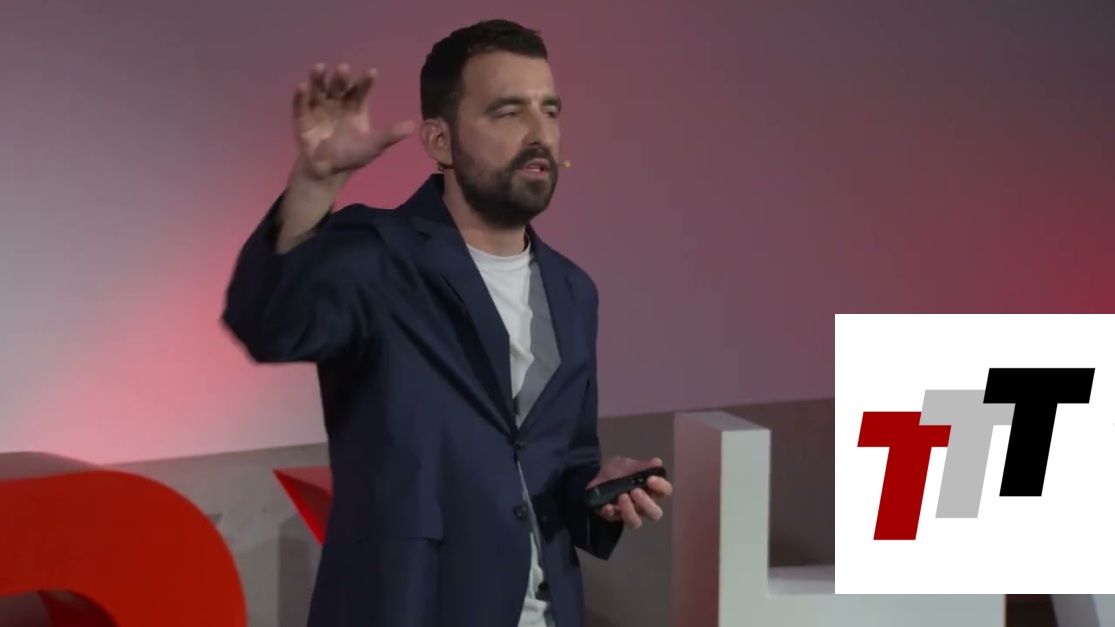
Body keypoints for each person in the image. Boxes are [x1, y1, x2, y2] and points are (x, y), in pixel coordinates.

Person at [221, 18, 672, 627]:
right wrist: (313, 186)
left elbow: (555, 464)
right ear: (440, 141)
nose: (539, 133)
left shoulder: (574, 291)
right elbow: (268, 325)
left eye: (550, 110)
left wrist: (598, 490)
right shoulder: (377, 256)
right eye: (508, 112)